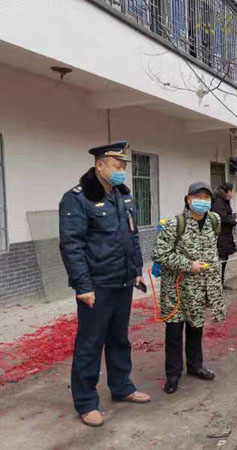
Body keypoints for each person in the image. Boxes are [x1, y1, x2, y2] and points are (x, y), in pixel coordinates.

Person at [59, 141, 151, 428]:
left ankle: (121, 387)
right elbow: (72, 246)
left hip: (122, 280)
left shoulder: (122, 195)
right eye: (116, 165)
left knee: (119, 339)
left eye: (124, 166)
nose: (121, 170)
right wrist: (83, 286)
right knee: (90, 343)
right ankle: (86, 402)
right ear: (100, 166)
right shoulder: (77, 198)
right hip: (96, 285)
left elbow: (132, 236)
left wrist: (136, 270)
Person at [152, 181, 226, 395]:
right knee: (174, 333)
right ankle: (173, 374)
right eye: (198, 197)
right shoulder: (175, 224)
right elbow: (159, 253)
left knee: (196, 328)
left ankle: (195, 366)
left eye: (206, 198)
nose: (202, 202)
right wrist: (188, 264)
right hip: (176, 290)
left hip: (199, 289)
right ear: (188, 199)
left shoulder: (214, 220)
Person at [211, 183, 237, 288]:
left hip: (226, 234)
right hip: (221, 235)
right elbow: (222, 218)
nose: (232, 194)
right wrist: (234, 222)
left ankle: (221, 282)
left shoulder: (224, 201)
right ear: (227, 191)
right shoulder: (219, 202)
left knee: (224, 259)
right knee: (220, 259)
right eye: (231, 191)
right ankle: (218, 283)